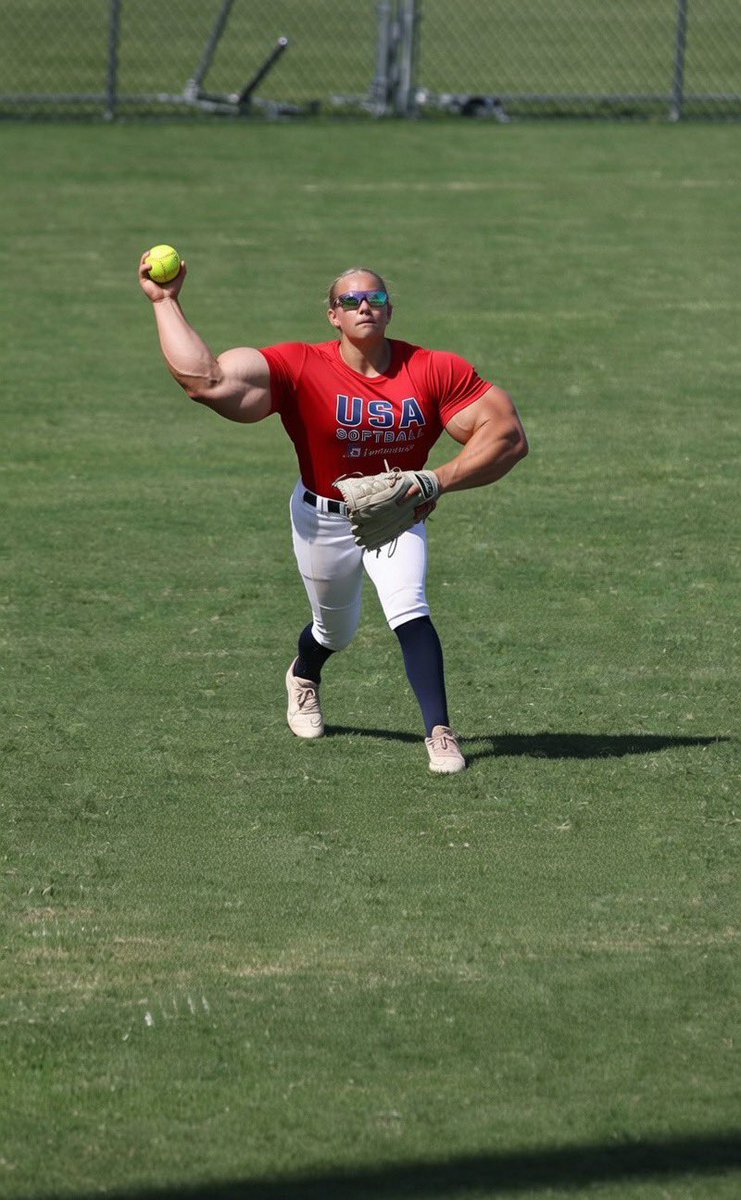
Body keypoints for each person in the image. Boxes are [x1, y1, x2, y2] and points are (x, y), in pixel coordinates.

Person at [138, 257, 528, 774]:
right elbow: (207, 382)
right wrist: (165, 301)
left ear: (390, 311)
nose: (364, 305)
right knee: (334, 631)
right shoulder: (300, 366)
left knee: (408, 607)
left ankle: (439, 732)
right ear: (333, 316)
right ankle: (304, 673)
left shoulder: (434, 369)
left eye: (376, 299)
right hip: (322, 518)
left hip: (398, 511)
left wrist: (432, 481)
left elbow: (507, 436)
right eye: (351, 300)